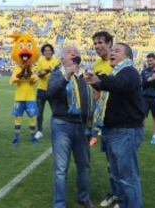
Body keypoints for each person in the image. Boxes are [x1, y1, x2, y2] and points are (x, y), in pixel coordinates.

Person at [86, 43, 145, 208]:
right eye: (112, 50)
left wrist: (100, 81)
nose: (112, 53)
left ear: (127, 57)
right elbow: (114, 86)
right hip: (115, 130)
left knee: (127, 177)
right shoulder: (118, 73)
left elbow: (120, 85)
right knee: (119, 175)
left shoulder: (129, 72)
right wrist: (95, 82)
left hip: (125, 131)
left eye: (117, 51)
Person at [47, 46, 94, 208]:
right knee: (61, 168)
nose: (74, 53)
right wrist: (66, 76)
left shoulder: (83, 76)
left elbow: (88, 100)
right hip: (62, 124)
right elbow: (50, 93)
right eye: (69, 52)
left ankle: (83, 196)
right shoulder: (57, 74)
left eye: (76, 52)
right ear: (62, 59)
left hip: (80, 126)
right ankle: (59, 203)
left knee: (84, 165)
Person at [91, 31, 119, 207]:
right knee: (109, 159)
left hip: (120, 118)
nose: (97, 46)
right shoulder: (96, 65)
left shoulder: (118, 63)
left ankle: (122, 196)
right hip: (104, 118)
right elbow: (96, 94)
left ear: (110, 43)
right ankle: (115, 193)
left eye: (101, 42)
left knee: (120, 159)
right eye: (95, 43)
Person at [10, 60, 39, 146]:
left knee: (32, 118)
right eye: (23, 62)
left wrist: (29, 74)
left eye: (27, 62)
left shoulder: (32, 70)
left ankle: (33, 138)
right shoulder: (16, 69)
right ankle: (16, 138)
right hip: (19, 98)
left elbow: (35, 80)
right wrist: (21, 74)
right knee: (18, 118)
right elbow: (12, 81)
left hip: (30, 98)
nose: (25, 63)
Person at [35, 44, 59, 139]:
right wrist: (48, 70)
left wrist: (47, 71)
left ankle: (56, 130)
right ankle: (39, 130)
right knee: (39, 112)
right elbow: (39, 74)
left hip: (53, 90)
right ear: (43, 52)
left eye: (49, 50)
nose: (47, 52)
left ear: (52, 51)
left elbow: (58, 73)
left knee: (55, 111)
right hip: (41, 90)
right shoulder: (40, 60)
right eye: (45, 50)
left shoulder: (56, 60)